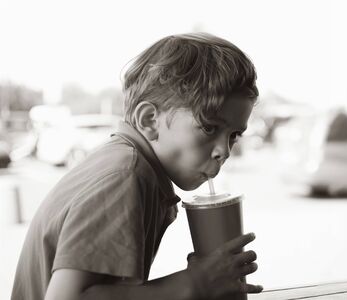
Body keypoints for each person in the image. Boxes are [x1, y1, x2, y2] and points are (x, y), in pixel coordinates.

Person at [11, 32, 263, 300]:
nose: (223, 151)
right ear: (149, 120)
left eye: (234, 135)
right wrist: (194, 284)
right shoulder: (124, 176)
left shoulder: (132, 166)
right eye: (209, 127)